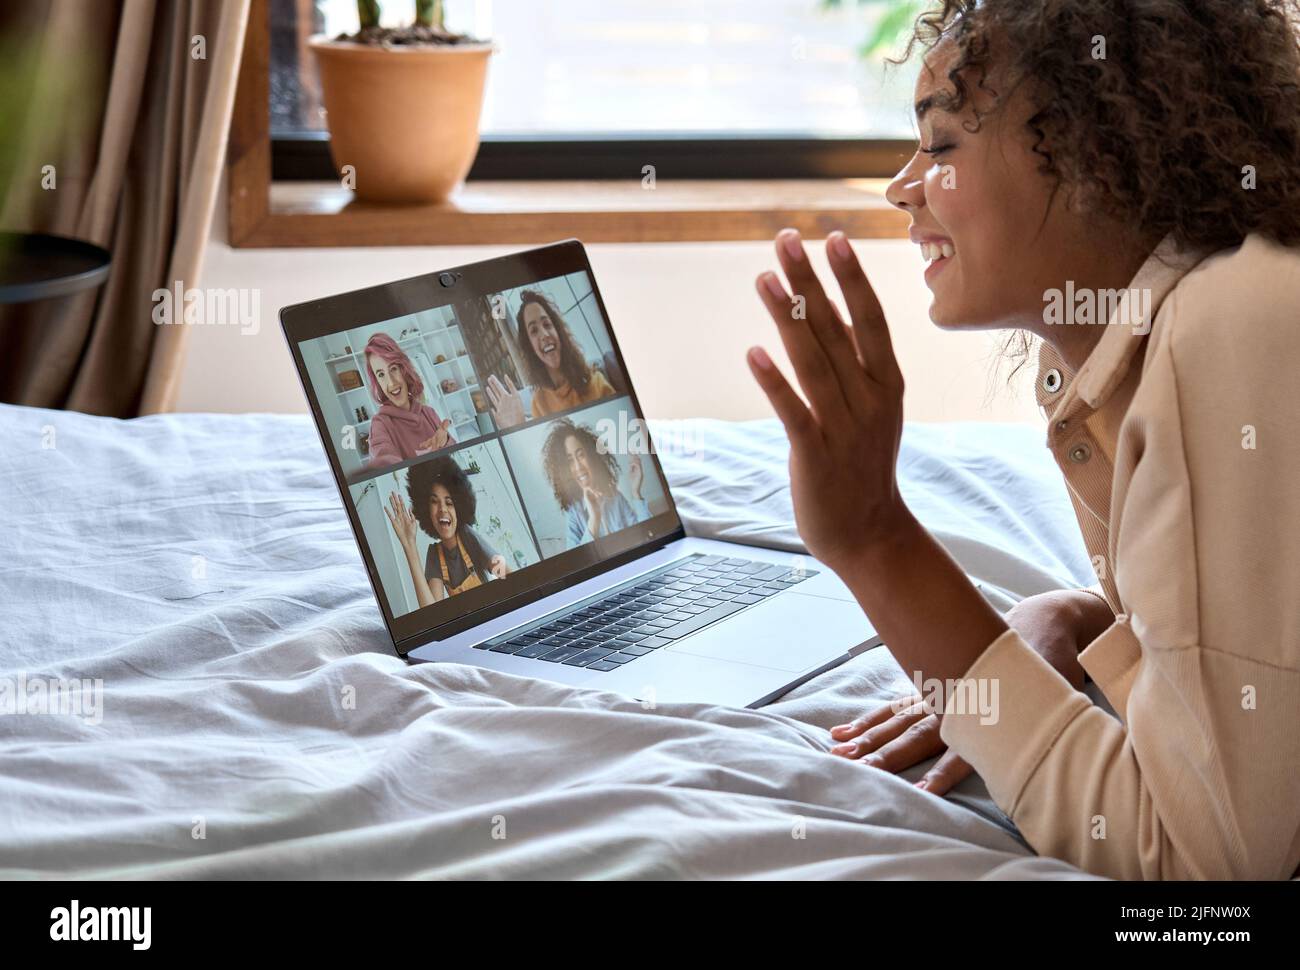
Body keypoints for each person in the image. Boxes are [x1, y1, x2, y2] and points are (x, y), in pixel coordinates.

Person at [745, 1, 1300, 880]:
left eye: (940, 148)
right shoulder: (1185, 324)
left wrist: (875, 540)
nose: (902, 188)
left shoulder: (1232, 327)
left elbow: (1200, 869)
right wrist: (1079, 619)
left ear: (1091, 154)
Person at [383, 455, 510, 606]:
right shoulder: (435, 555)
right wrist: (409, 544)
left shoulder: (467, 534)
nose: (442, 509)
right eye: (434, 502)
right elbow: (431, 612)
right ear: (426, 511)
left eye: (449, 503)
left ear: (459, 508)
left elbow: (505, 573)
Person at [483, 289, 615, 428]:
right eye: (534, 330)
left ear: (558, 331)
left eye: (547, 325)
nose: (544, 334)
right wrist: (518, 427)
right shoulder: (539, 403)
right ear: (530, 348)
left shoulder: (595, 382)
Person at [540, 418, 649, 548]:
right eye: (569, 461)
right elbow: (577, 562)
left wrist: (636, 492)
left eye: (581, 455)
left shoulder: (615, 497)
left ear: (592, 456)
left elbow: (646, 535)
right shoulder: (574, 513)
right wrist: (594, 520)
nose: (578, 467)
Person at [362, 332, 454, 468]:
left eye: (393, 369)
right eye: (381, 374)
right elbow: (384, 458)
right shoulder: (380, 424)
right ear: (377, 382)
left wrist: (445, 440)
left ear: (403, 369)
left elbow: (456, 458)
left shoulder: (429, 413)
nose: (391, 383)